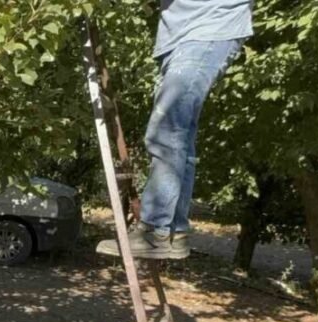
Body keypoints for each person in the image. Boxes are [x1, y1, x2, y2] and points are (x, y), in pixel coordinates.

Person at [98, 0, 253, 260]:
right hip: (188, 34)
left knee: (166, 130)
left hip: (207, 29)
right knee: (179, 137)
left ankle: (154, 232)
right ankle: (173, 231)